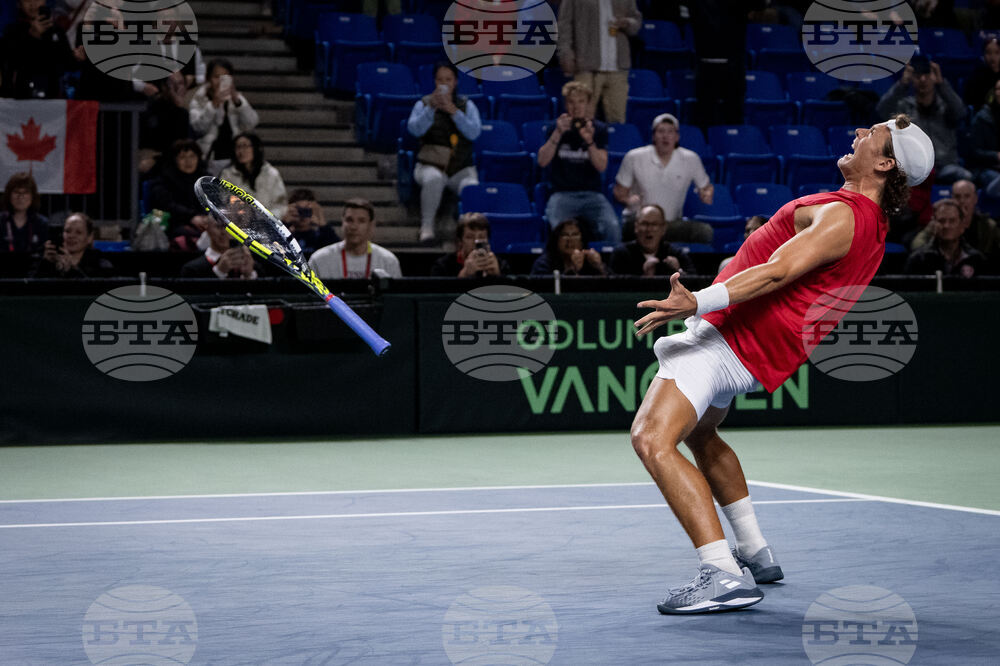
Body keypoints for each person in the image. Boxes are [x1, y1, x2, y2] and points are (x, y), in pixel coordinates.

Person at [629, 114, 933, 614]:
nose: (857, 132)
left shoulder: (847, 214)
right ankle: (754, 551)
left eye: (871, 134)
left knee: (650, 438)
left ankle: (722, 574)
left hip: (729, 338)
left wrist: (698, 301)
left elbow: (778, 273)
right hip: (751, 345)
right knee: (700, 434)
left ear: (883, 162)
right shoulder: (870, 223)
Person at [407, 61, 482, 245]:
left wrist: (454, 112)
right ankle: (427, 228)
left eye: (448, 80)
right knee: (435, 179)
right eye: (440, 80)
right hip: (430, 164)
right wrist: (431, 109)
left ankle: (468, 235)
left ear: (455, 82)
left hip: (461, 167)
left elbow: (474, 132)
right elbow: (414, 130)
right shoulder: (423, 103)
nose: (444, 84)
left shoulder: (466, 105)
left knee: (471, 186)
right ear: (434, 82)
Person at [538, 81, 620, 243]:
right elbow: (542, 161)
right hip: (562, 194)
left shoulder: (598, 129)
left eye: (581, 101)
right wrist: (557, 134)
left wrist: (589, 141)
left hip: (592, 195)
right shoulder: (554, 128)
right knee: (558, 231)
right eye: (571, 102)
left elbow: (601, 166)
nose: (576, 107)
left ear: (588, 104)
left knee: (612, 227)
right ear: (565, 104)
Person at [614, 113, 714, 244]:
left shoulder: (691, 159)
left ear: (677, 137)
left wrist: (706, 193)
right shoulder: (634, 156)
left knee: (704, 232)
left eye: (670, 132)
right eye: (661, 131)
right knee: (628, 227)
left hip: (670, 224)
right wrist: (627, 199)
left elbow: (706, 187)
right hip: (640, 222)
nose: (665, 136)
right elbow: (619, 191)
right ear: (654, 136)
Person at [876, 55, 971, 184]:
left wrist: (941, 83)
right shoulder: (904, 107)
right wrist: (902, 84)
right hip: (915, 168)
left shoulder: (946, 106)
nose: (923, 79)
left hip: (945, 166)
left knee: (965, 177)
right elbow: (882, 111)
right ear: (911, 78)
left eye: (927, 74)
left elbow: (961, 112)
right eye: (917, 75)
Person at [556, 0, 642, 124]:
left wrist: (627, 23)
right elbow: (564, 25)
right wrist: (565, 54)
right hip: (585, 65)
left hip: (618, 67)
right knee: (582, 119)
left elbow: (636, 21)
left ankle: (614, 143)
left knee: (617, 121)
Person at [189, 58, 259, 173]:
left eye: (225, 77)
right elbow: (198, 128)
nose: (220, 81)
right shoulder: (199, 99)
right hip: (209, 159)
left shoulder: (236, 99)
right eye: (216, 77)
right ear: (208, 78)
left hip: (235, 159)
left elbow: (252, 123)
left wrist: (237, 102)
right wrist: (214, 105)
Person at [910, 180, 1000, 264]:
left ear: (975, 198)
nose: (962, 201)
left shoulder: (987, 225)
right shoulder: (941, 222)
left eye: (967, 196)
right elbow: (917, 244)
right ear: (952, 198)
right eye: (957, 196)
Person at [0, 0, 76, 99]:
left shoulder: (56, 30)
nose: (33, 4)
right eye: (27, 0)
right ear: (19, 4)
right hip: (19, 97)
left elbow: (66, 64)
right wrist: (32, 36)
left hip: (52, 97)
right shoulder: (12, 31)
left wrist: (77, 57)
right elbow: (10, 62)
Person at [310, 198, 402, 279]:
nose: (354, 227)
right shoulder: (319, 260)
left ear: (371, 225)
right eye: (349, 220)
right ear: (343, 222)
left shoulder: (388, 261)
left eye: (361, 221)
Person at [147, 139, 212, 250]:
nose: (188, 161)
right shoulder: (164, 179)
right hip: (175, 223)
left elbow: (213, 202)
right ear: (175, 160)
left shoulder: (206, 179)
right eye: (183, 157)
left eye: (192, 156)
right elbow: (167, 205)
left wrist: (207, 218)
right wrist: (191, 217)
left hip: (204, 223)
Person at [904, 198, 987, 278]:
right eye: (942, 221)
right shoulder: (918, 259)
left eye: (952, 221)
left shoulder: (976, 259)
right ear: (933, 224)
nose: (946, 226)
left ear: (962, 226)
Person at [218, 132, 288, 220]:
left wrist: (265, 218)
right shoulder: (227, 174)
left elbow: (281, 205)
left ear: (256, 148)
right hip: (238, 223)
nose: (241, 151)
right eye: (238, 147)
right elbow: (223, 202)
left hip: (267, 223)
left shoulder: (271, 173)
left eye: (245, 146)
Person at [610, 204, 695, 276]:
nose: (649, 229)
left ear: (663, 229)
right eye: (644, 224)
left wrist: (678, 271)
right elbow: (613, 289)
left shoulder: (676, 254)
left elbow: (694, 284)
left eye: (654, 224)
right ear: (636, 227)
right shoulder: (621, 254)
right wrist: (644, 277)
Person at [31, 212, 114, 277]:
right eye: (67, 231)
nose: (71, 236)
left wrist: (73, 269)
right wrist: (45, 264)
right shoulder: (44, 256)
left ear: (89, 237)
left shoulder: (101, 264)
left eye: (78, 232)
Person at [431, 212, 510, 277]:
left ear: (488, 240)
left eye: (482, 237)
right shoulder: (443, 266)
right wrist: (464, 274)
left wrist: (498, 276)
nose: (476, 241)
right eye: (470, 237)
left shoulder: (500, 264)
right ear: (460, 241)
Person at [180, 216, 260, 279]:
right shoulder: (191, 269)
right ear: (207, 228)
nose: (224, 232)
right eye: (218, 226)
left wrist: (248, 275)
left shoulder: (252, 265)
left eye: (229, 228)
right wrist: (219, 272)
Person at [530, 218, 609, 276]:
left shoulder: (589, 261)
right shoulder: (543, 263)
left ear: (582, 240)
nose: (570, 240)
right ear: (556, 240)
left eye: (575, 235)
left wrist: (599, 266)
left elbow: (613, 286)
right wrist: (573, 269)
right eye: (564, 235)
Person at [281, 188, 338, 259]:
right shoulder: (285, 235)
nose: (303, 214)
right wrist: (284, 223)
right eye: (299, 210)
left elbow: (335, 251)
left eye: (306, 210)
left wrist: (322, 224)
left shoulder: (321, 235)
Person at [1, 172, 48, 255]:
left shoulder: (42, 223)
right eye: (16, 192)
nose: (20, 197)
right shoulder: (1, 221)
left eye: (25, 192)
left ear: (32, 196)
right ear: (9, 195)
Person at [968, 79, 1000, 194]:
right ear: (993, 93)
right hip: (986, 168)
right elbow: (974, 151)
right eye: (998, 89)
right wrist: (996, 156)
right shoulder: (982, 118)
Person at [964, 34, 1000, 107]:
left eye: (997, 53)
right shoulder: (976, 76)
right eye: (988, 53)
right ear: (983, 54)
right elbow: (970, 100)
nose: (992, 57)